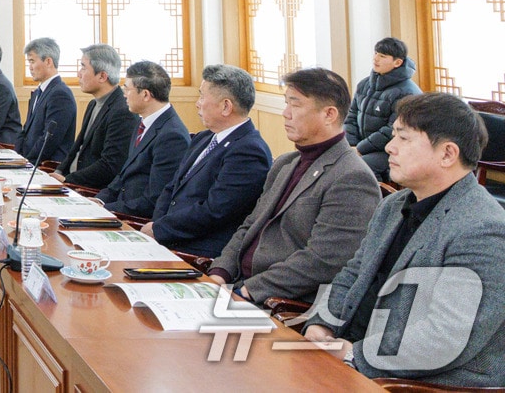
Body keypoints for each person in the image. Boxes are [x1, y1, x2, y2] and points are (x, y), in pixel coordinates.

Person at [303, 92, 505, 387]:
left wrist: (354, 355)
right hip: (357, 359)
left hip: (426, 381)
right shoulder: (393, 205)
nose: (389, 147)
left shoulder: (483, 228)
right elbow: (353, 274)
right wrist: (322, 323)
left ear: (448, 154)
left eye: (403, 138)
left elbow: (445, 338)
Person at [208, 68, 380, 304]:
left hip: (278, 303)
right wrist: (220, 272)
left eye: (295, 105)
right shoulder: (286, 163)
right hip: (237, 286)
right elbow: (250, 225)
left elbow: (323, 261)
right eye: (286, 103)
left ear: (329, 114)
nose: (285, 114)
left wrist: (247, 291)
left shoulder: (352, 177)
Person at [142, 64, 272, 258]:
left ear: (226, 106)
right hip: (168, 238)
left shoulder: (249, 151)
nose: (197, 103)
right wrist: (157, 227)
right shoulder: (205, 137)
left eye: (202, 96)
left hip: (199, 251)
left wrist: (160, 230)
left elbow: (215, 211)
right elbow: (171, 187)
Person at [93, 61, 189, 218]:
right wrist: (99, 201)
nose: (123, 94)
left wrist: (107, 209)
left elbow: (154, 200)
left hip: (135, 219)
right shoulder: (142, 122)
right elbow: (124, 175)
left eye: (127, 89)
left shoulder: (172, 136)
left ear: (145, 94)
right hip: (121, 208)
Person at [54, 44, 139, 190]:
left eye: (83, 67)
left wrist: (68, 180)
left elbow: (110, 165)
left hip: (88, 189)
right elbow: (77, 146)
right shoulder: (93, 104)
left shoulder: (122, 111)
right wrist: (58, 171)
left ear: (102, 76)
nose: (78, 74)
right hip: (72, 183)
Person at [345, 37, 422, 180]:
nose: (376, 59)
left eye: (382, 56)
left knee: (360, 167)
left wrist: (361, 149)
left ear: (397, 62)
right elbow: (351, 116)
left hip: (392, 149)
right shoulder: (364, 84)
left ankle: (379, 201)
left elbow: (392, 130)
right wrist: (351, 145)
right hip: (363, 147)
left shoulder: (407, 92)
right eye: (375, 53)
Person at [16, 38, 76, 165]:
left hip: (46, 166)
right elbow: (25, 130)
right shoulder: (38, 91)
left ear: (48, 61)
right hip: (28, 162)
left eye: (32, 61)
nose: (30, 67)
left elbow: (49, 141)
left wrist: (27, 162)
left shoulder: (60, 94)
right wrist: (16, 157)